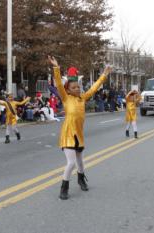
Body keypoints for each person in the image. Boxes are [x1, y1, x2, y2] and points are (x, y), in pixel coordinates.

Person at [48, 56, 112, 200]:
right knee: (71, 163)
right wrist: (56, 68)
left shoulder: (82, 98)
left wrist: (104, 74)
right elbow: (58, 83)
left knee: (80, 161)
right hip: (68, 134)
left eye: (78, 86)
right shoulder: (66, 98)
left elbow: (94, 87)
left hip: (79, 134)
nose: (77, 89)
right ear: (68, 90)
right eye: (73, 87)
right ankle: (64, 187)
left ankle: (81, 179)